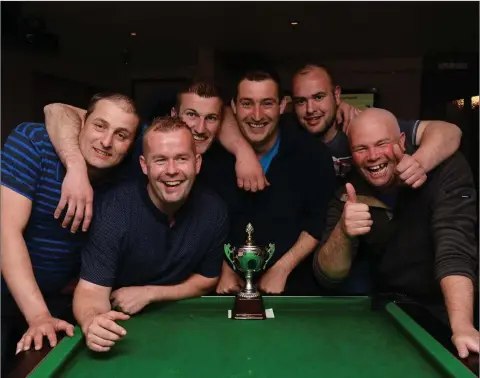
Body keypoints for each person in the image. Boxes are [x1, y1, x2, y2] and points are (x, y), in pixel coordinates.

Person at [313, 108, 479, 358]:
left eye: (382, 144)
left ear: (402, 141)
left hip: (451, 306)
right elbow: (328, 275)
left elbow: (454, 247)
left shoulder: (447, 169)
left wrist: (463, 326)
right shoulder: (349, 191)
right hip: (394, 313)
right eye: (361, 149)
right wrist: (343, 232)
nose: (372, 156)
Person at [0, 93, 139, 372]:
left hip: (58, 300)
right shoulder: (33, 142)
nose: (107, 141)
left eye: (121, 135)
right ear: (82, 122)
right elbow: (6, 230)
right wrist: (39, 316)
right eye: (99, 126)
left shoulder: (128, 171)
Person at [73, 116, 228, 352]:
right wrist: (92, 320)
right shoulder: (115, 209)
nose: (172, 171)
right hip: (123, 330)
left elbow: (207, 280)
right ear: (145, 166)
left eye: (181, 159)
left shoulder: (214, 210)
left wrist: (150, 293)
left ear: (197, 163)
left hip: (189, 326)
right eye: (160, 160)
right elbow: (91, 290)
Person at [43, 80, 266, 234]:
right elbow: (56, 110)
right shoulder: (141, 139)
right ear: (174, 115)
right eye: (191, 115)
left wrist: (242, 151)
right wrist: (76, 169)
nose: (200, 128)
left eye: (211, 118)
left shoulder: (222, 164)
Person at [200, 68, 336, 295]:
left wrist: (282, 269)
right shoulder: (211, 157)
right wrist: (223, 266)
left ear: (282, 106)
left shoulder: (313, 154)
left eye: (267, 103)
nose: (256, 115)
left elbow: (317, 222)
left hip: (292, 290)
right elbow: (201, 219)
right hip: (222, 290)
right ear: (233, 107)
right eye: (247, 103)